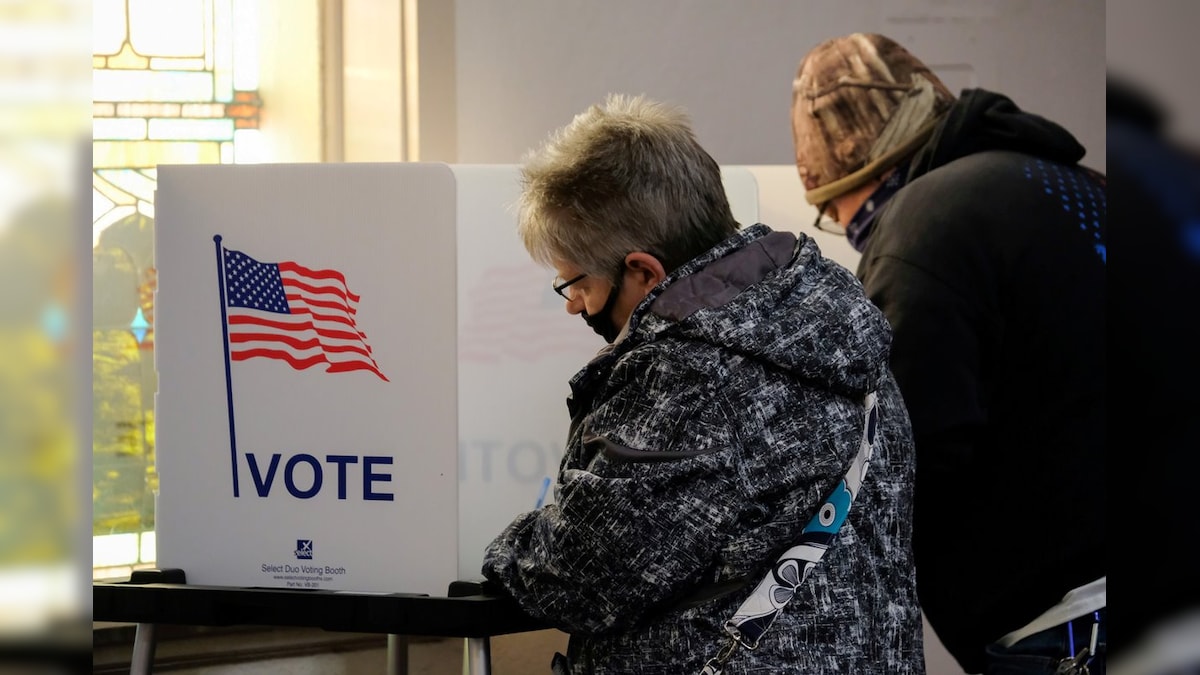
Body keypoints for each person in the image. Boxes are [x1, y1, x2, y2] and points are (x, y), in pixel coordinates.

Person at [481, 93, 925, 674]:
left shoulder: (689, 373)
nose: (576, 307)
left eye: (576, 284)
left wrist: (505, 551)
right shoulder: (829, 328)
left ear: (643, 272)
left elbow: (585, 574)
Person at [789, 33, 1106, 675]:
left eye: (832, 209)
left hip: (1068, 631)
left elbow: (903, 452)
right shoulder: (1084, 189)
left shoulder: (920, 226)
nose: (842, 226)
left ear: (860, 178)